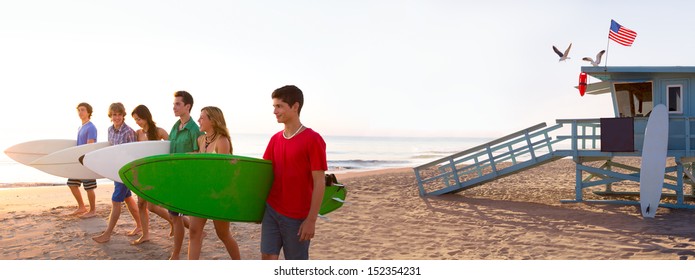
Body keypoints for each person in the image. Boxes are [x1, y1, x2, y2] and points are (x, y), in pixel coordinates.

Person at [261, 85, 327, 260]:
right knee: (267, 257)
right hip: (272, 210)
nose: (275, 111)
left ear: (295, 106)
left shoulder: (313, 139)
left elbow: (319, 182)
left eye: (279, 106)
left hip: (297, 217)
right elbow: (263, 174)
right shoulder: (274, 140)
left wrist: (311, 220)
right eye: (274, 107)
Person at [130, 104, 190, 245]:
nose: (137, 122)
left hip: (157, 173)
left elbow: (171, 148)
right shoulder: (137, 133)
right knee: (141, 205)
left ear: (146, 117)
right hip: (143, 172)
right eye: (135, 120)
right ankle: (146, 235)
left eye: (139, 119)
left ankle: (187, 226)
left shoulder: (159, 132)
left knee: (153, 206)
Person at [187, 106, 241, 260]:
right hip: (201, 193)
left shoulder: (222, 141)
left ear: (212, 120)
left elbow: (223, 173)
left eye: (202, 117)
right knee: (194, 232)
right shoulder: (201, 139)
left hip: (219, 195)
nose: (199, 120)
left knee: (223, 234)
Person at [92, 103, 143, 243]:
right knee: (127, 198)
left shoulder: (129, 132)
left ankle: (107, 234)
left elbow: (134, 154)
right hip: (115, 171)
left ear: (123, 115)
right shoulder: (110, 130)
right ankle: (140, 226)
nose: (117, 117)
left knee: (115, 201)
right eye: (114, 114)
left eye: (119, 114)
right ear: (110, 116)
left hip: (125, 171)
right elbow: (111, 151)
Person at [167, 91, 203, 259]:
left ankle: (177, 254)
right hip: (174, 179)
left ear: (187, 106)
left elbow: (199, 156)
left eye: (177, 104)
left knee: (181, 218)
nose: (173, 107)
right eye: (174, 104)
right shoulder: (175, 126)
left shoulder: (194, 130)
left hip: (188, 181)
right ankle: (176, 254)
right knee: (175, 217)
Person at [67, 102, 98, 218]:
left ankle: (93, 210)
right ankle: (82, 207)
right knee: (71, 183)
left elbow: (89, 146)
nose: (80, 112)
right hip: (78, 161)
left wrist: (86, 161)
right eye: (79, 110)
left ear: (89, 112)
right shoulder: (81, 127)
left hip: (86, 161)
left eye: (83, 110)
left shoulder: (91, 127)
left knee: (88, 187)